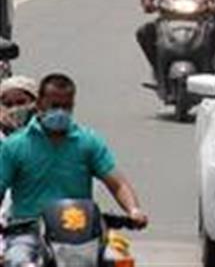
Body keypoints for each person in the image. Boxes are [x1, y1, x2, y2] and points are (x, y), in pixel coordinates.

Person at [0, 74, 148, 267]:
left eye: (66, 107)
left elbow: (117, 183)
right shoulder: (15, 146)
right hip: (28, 234)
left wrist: (134, 210)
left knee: (120, 260)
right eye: (54, 106)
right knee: (18, 261)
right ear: (39, 105)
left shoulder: (88, 142)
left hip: (82, 236)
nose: (60, 112)